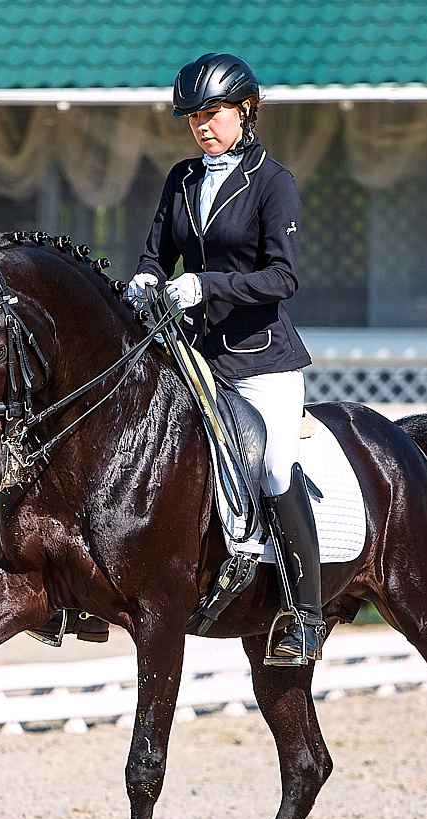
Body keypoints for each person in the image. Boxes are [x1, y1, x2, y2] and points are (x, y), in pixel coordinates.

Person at [127, 52, 326, 664]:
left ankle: (305, 615)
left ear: (244, 110)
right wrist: (144, 279)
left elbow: (282, 279)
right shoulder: (181, 180)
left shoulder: (273, 181)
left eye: (211, 113)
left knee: (272, 469)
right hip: (192, 355)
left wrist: (206, 286)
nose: (200, 126)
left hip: (261, 359)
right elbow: (156, 253)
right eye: (193, 117)